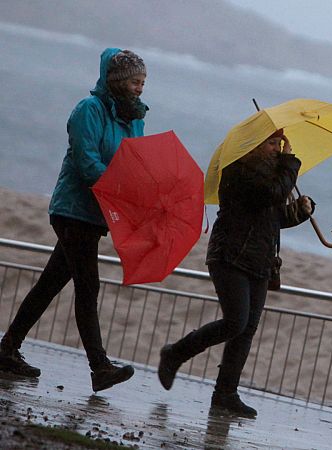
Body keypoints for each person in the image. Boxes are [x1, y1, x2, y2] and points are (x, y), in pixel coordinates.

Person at [0, 48, 147, 392]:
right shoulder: (89, 110)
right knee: (88, 287)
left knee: (49, 284)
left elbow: (134, 163)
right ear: (119, 81)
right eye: (136, 81)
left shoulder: (134, 118)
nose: (141, 88)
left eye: (143, 82)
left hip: (96, 216)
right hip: (72, 210)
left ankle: (7, 349)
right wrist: (120, 188)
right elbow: (87, 161)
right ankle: (99, 368)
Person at [157, 129, 313, 418]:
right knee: (235, 322)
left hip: (260, 259)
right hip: (231, 255)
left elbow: (271, 219)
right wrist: (290, 165)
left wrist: (299, 212)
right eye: (270, 142)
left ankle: (225, 393)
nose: (277, 148)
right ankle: (176, 353)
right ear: (253, 144)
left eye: (279, 143)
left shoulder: (272, 174)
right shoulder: (238, 170)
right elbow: (267, 194)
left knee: (246, 329)